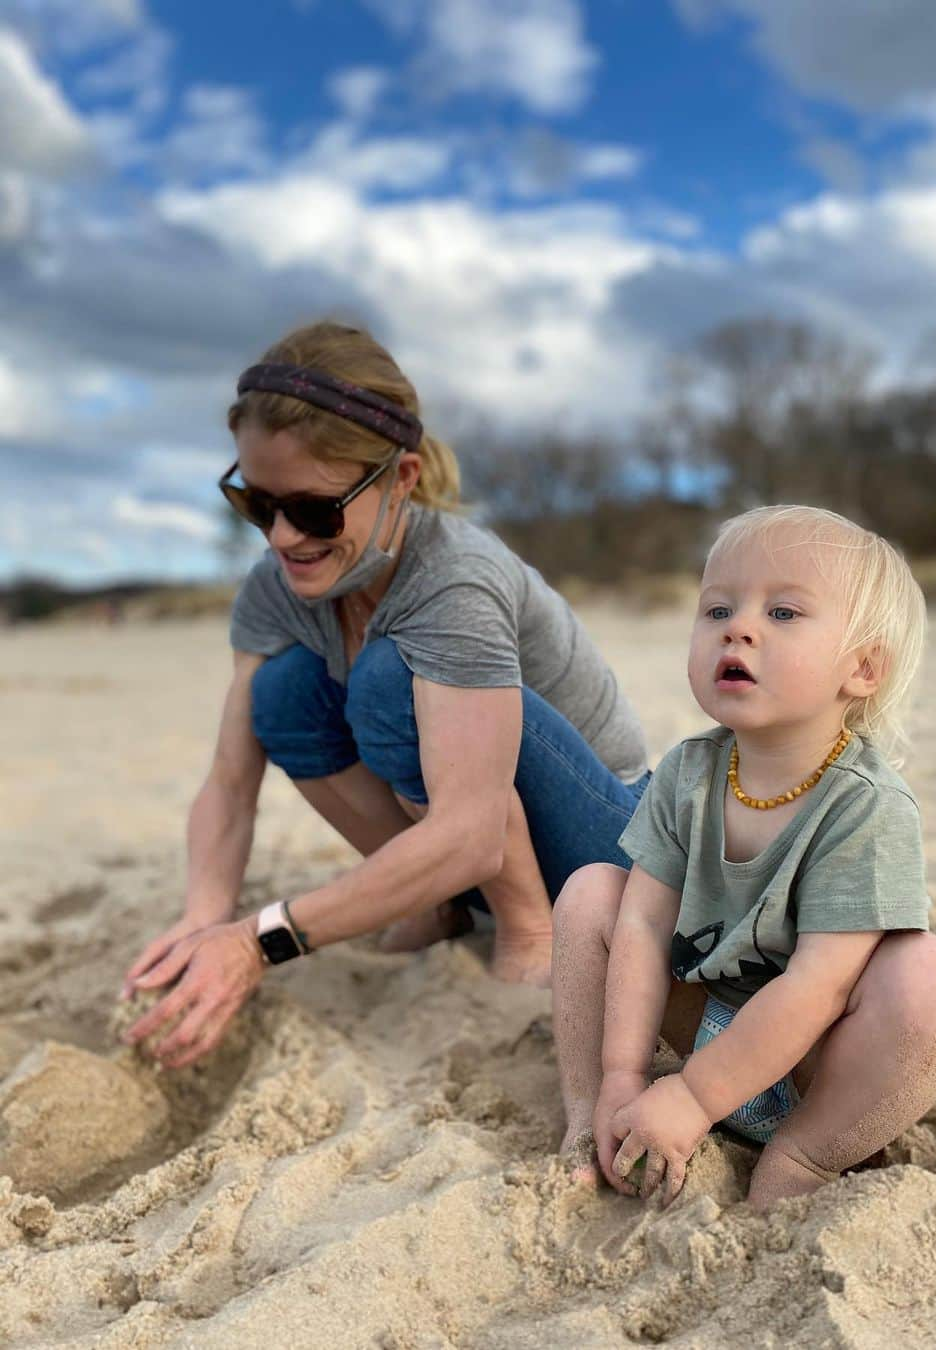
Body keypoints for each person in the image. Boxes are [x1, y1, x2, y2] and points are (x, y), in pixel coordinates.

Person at [121, 320, 651, 1069]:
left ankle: (529, 929)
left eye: (312, 510)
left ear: (400, 479)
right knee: (280, 694)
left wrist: (259, 939)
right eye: (254, 504)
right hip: (467, 844)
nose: (279, 537)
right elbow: (230, 783)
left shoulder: (453, 578)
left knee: (385, 681)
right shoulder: (277, 591)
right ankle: (437, 903)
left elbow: (469, 830)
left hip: (608, 849)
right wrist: (204, 918)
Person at [552, 505, 936, 1211]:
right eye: (718, 607)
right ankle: (586, 1115)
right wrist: (628, 1074)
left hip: (819, 1067)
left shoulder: (866, 806)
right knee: (594, 892)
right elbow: (641, 928)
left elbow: (819, 985)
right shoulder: (688, 774)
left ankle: (804, 1159)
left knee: (935, 979)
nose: (738, 626)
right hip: (704, 1025)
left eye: (783, 613)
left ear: (863, 668)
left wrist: (691, 1098)